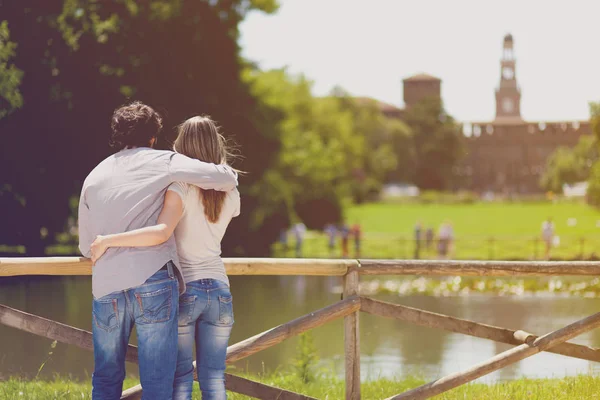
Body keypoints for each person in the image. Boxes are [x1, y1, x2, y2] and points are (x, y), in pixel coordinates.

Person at [88, 115, 240, 400]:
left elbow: (160, 231)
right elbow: (220, 185)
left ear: (182, 146)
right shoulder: (231, 193)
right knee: (214, 377)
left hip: (185, 292)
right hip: (220, 289)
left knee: (178, 377)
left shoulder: (177, 188)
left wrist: (108, 241)